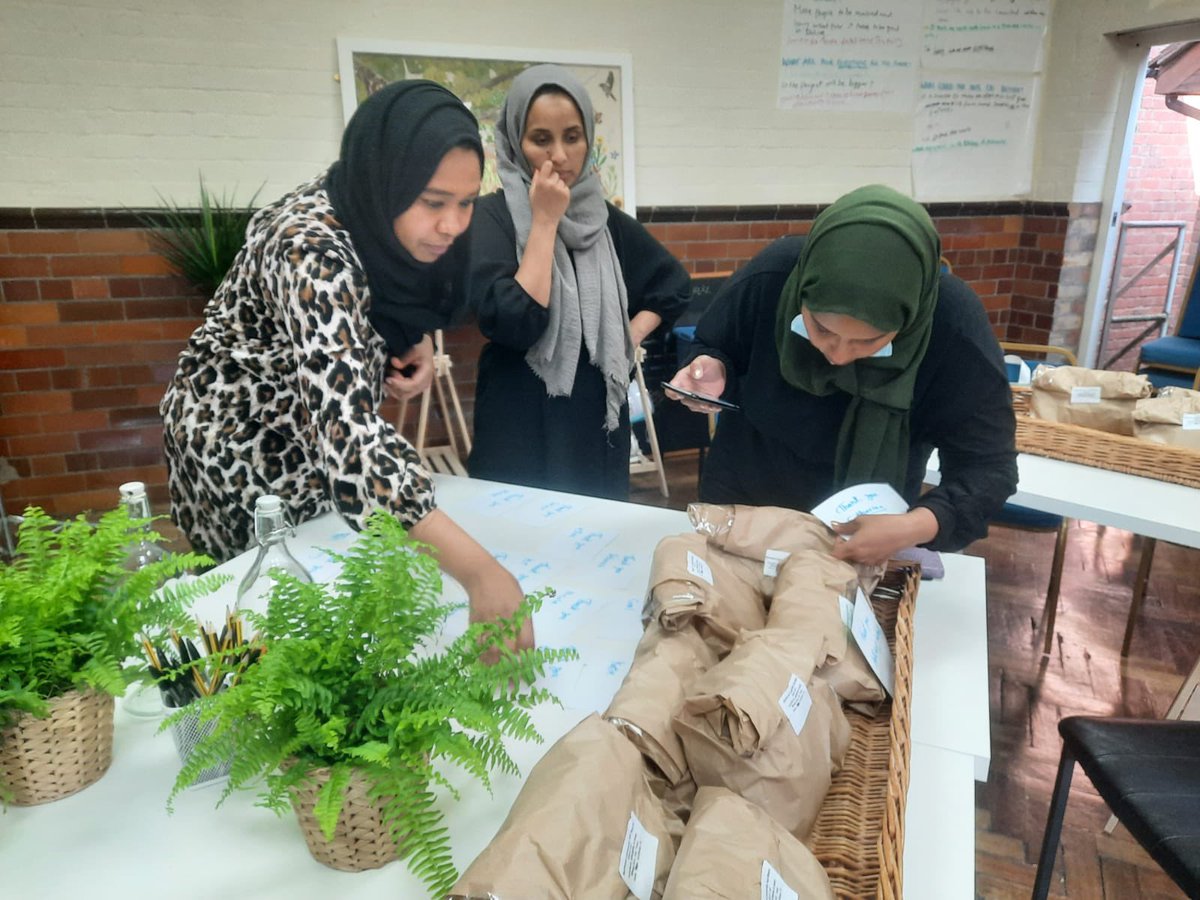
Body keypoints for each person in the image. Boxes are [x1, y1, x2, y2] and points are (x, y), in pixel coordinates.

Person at [160, 80, 531, 649]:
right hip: (236, 442)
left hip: (313, 433)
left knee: (345, 593)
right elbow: (351, 444)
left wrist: (419, 343)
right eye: (434, 202)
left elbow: (406, 293)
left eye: (465, 202)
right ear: (386, 183)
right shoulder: (308, 250)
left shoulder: (375, 210)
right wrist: (482, 574)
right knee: (276, 622)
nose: (454, 225)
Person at [666, 184, 1017, 566]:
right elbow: (716, 345)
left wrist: (916, 525)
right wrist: (712, 369)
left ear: (909, 322)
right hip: (742, 503)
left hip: (863, 532)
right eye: (821, 328)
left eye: (870, 341)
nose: (838, 355)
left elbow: (988, 467)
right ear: (802, 292)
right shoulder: (774, 278)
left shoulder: (952, 329)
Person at [465, 64, 690, 500]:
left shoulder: (602, 221)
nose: (560, 156)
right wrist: (544, 220)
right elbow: (516, 322)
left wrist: (625, 338)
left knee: (595, 540)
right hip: (519, 416)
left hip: (595, 419)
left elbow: (673, 284)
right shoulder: (490, 218)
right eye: (541, 139)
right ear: (515, 140)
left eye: (572, 136)